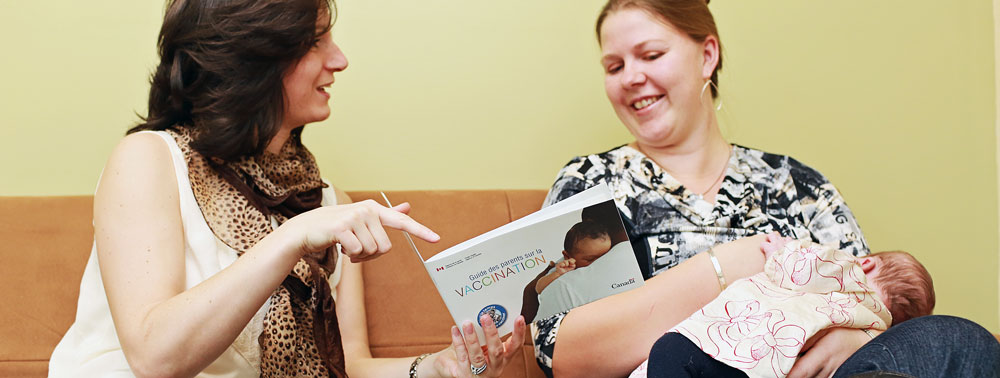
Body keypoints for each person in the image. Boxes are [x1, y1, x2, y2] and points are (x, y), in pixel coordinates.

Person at [47, 0, 525, 377]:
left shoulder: (324, 200)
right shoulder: (149, 159)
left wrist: (441, 368)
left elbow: (349, 365)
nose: (340, 60)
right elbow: (155, 358)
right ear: (254, 57)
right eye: (316, 42)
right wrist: (292, 237)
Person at [533, 0, 999, 377]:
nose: (631, 76)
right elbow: (559, 351)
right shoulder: (592, 185)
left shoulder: (796, 185)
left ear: (707, 56)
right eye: (614, 66)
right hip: (688, 369)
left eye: (651, 55)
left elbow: (873, 297)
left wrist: (852, 339)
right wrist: (721, 270)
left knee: (961, 339)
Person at [637, 234, 935, 378]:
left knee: (670, 351)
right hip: (764, 370)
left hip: (732, 349)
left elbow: (803, 268)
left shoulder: (848, 271)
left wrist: (783, 251)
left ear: (867, 263)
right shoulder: (872, 329)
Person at [535, 221, 614, 294]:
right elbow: (538, 289)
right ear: (567, 256)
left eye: (604, 256)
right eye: (590, 259)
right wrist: (558, 273)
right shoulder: (565, 268)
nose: (598, 262)